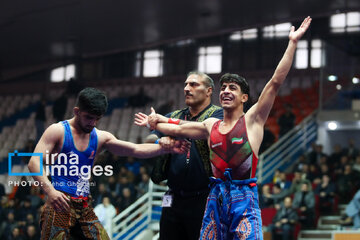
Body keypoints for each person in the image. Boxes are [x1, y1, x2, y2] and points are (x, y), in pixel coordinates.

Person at [135, 16, 312, 239]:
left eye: (233, 88)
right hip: (215, 197)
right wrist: (157, 120)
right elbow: (179, 127)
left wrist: (293, 43)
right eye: (224, 87)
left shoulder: (253, 120)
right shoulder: (211, 125)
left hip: (243, 199)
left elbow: (275, 82)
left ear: (244, 97)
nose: (226, 91)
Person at [28, 87, 188, 240]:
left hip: (84, 205)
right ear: (77, 111)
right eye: (89, 117)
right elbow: (34, 162)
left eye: (97, 118)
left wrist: (166, 148)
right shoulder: (58, 131)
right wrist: (50, 191)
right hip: (59, 203)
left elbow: (135, 149)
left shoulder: (100, 137)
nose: (93, 123)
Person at [145, 71, 223, 240]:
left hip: (205, 198)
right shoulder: (173, 116)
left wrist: (168, 126)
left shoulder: (219, 115)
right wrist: (161, 141)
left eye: (194, 85)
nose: (187, 89)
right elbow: (150, 138)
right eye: (186, 84)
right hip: (173, 198)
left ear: (209, 91)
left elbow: (200, 127)